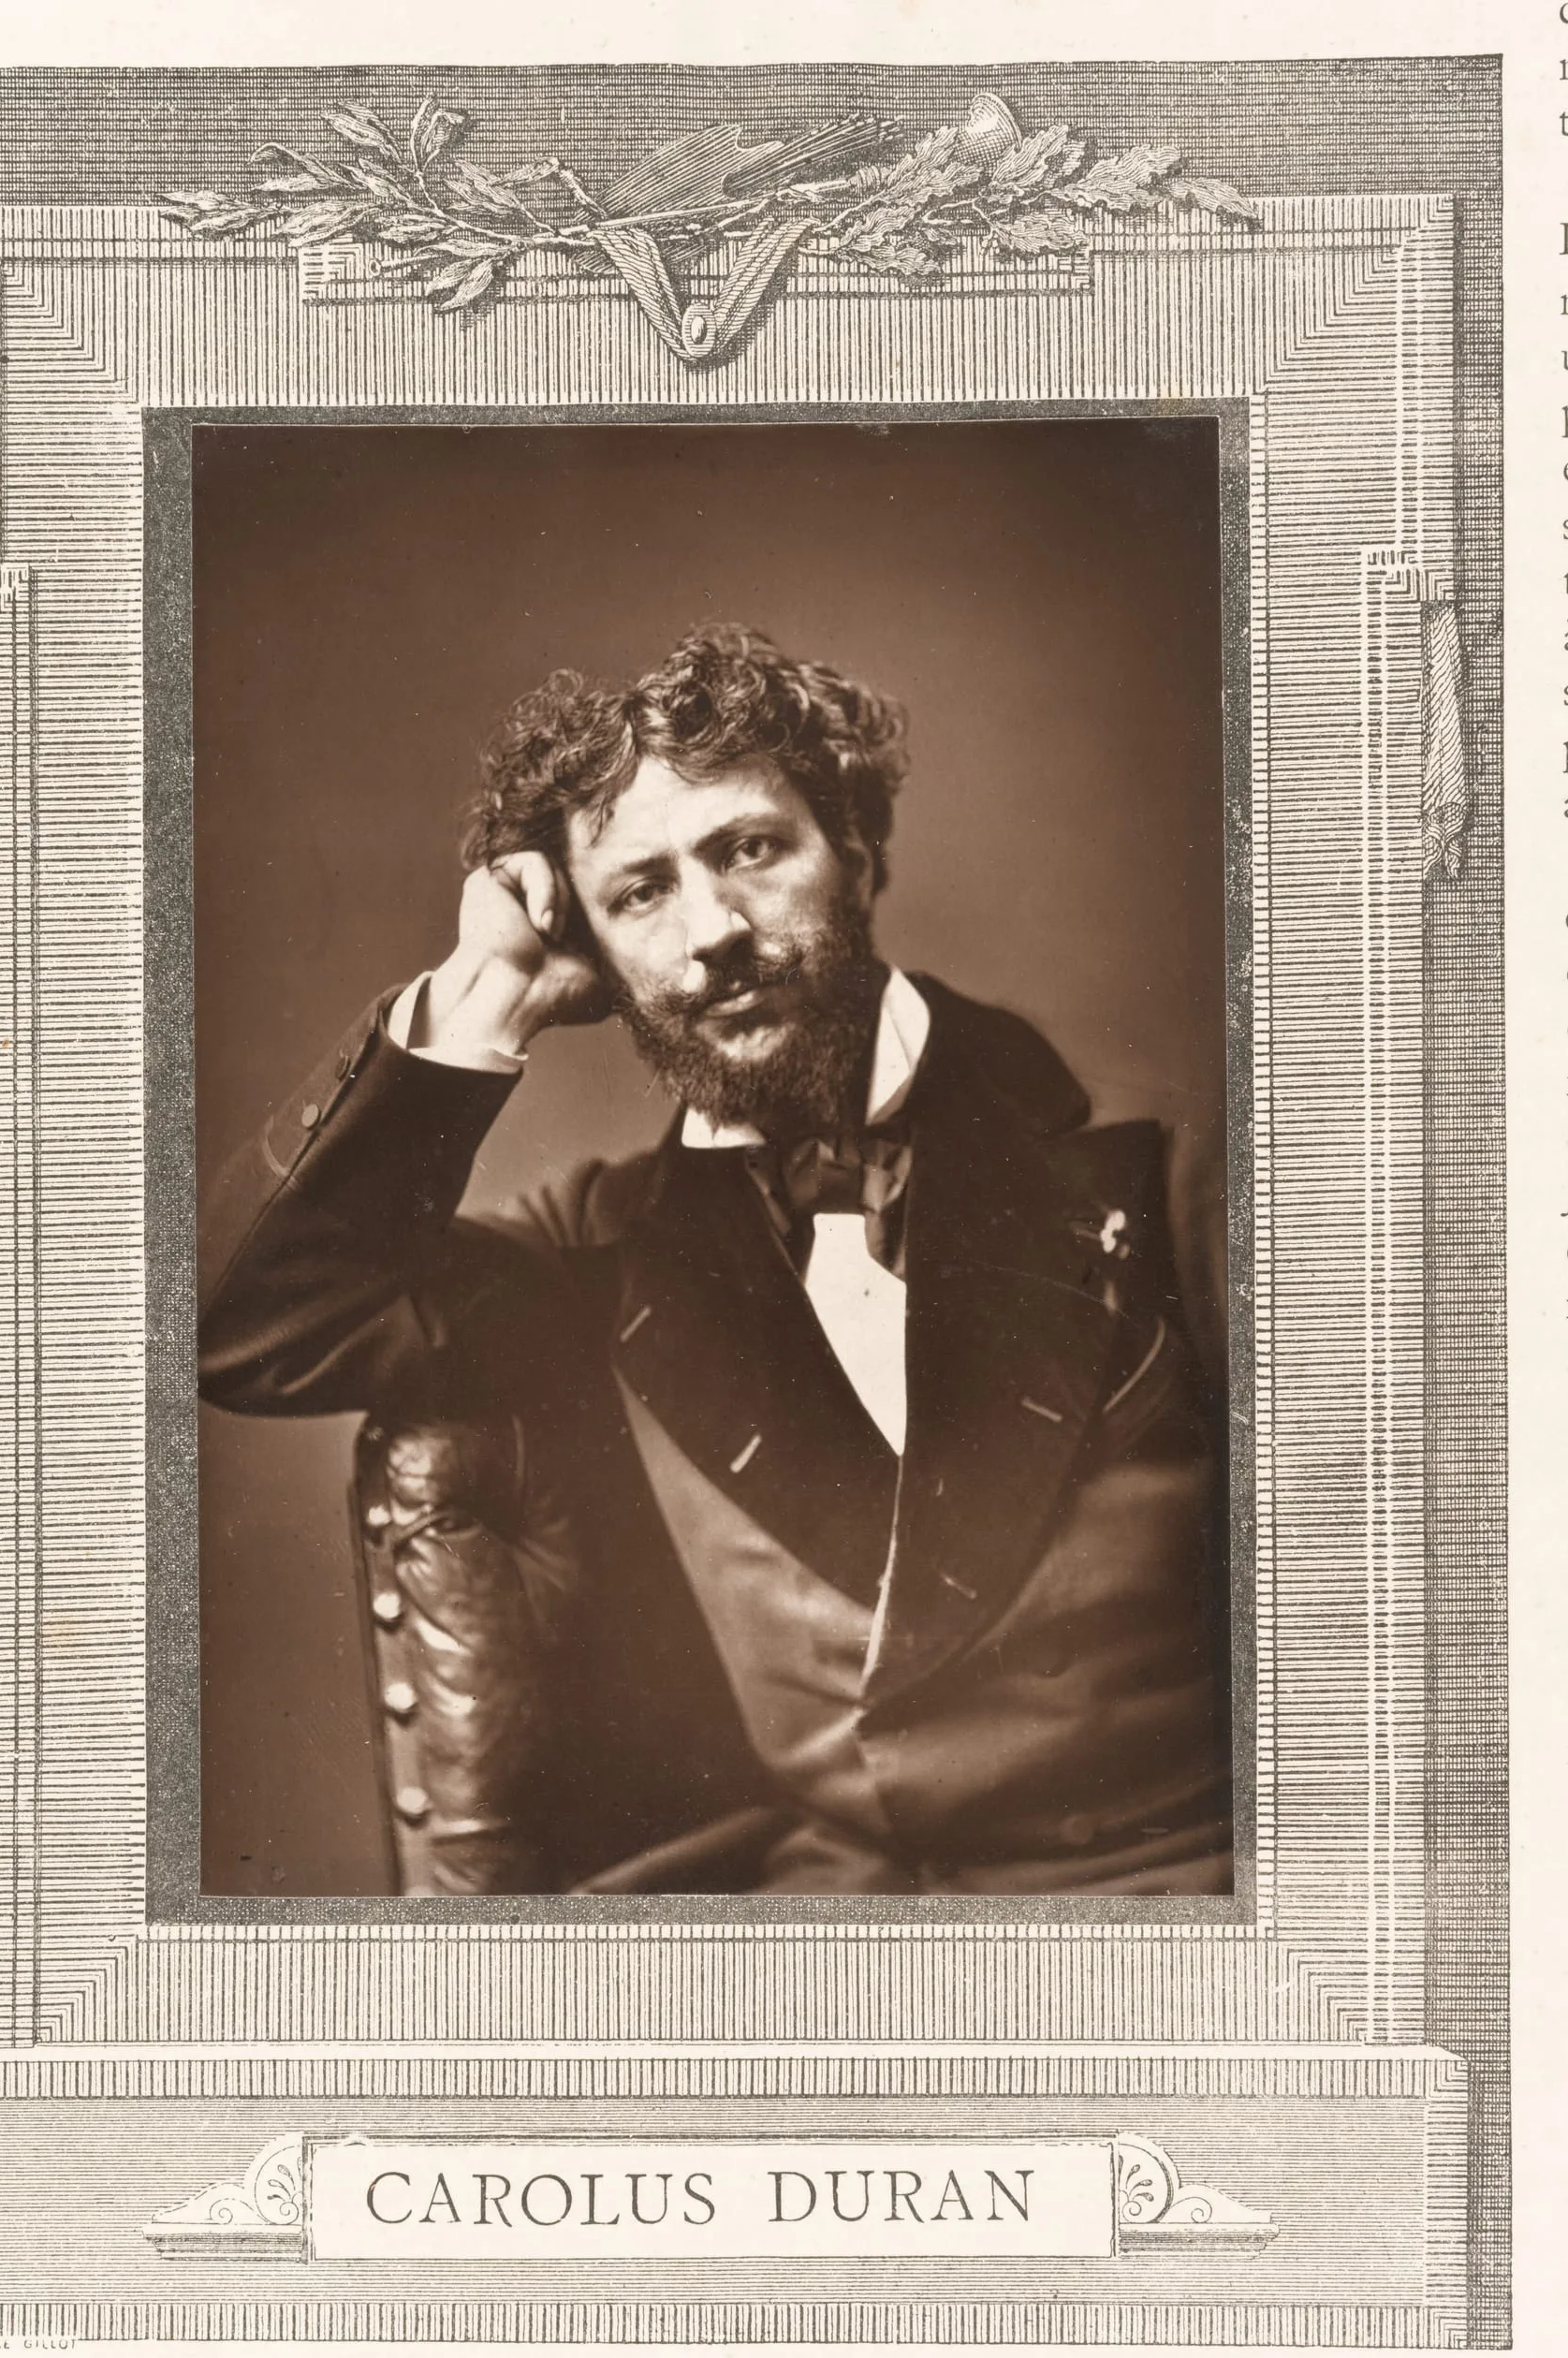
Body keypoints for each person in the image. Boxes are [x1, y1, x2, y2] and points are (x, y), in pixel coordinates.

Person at [198, 623, 1232, 1897]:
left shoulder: (1166, 1167)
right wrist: (487, 995)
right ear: (594, 954)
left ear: (855, 853)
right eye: (640, 893)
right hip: (826, 1919)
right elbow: (250, 1328)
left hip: (1176, 1901)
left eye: (750, 850)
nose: (715, 932)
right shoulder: (606, 1247)